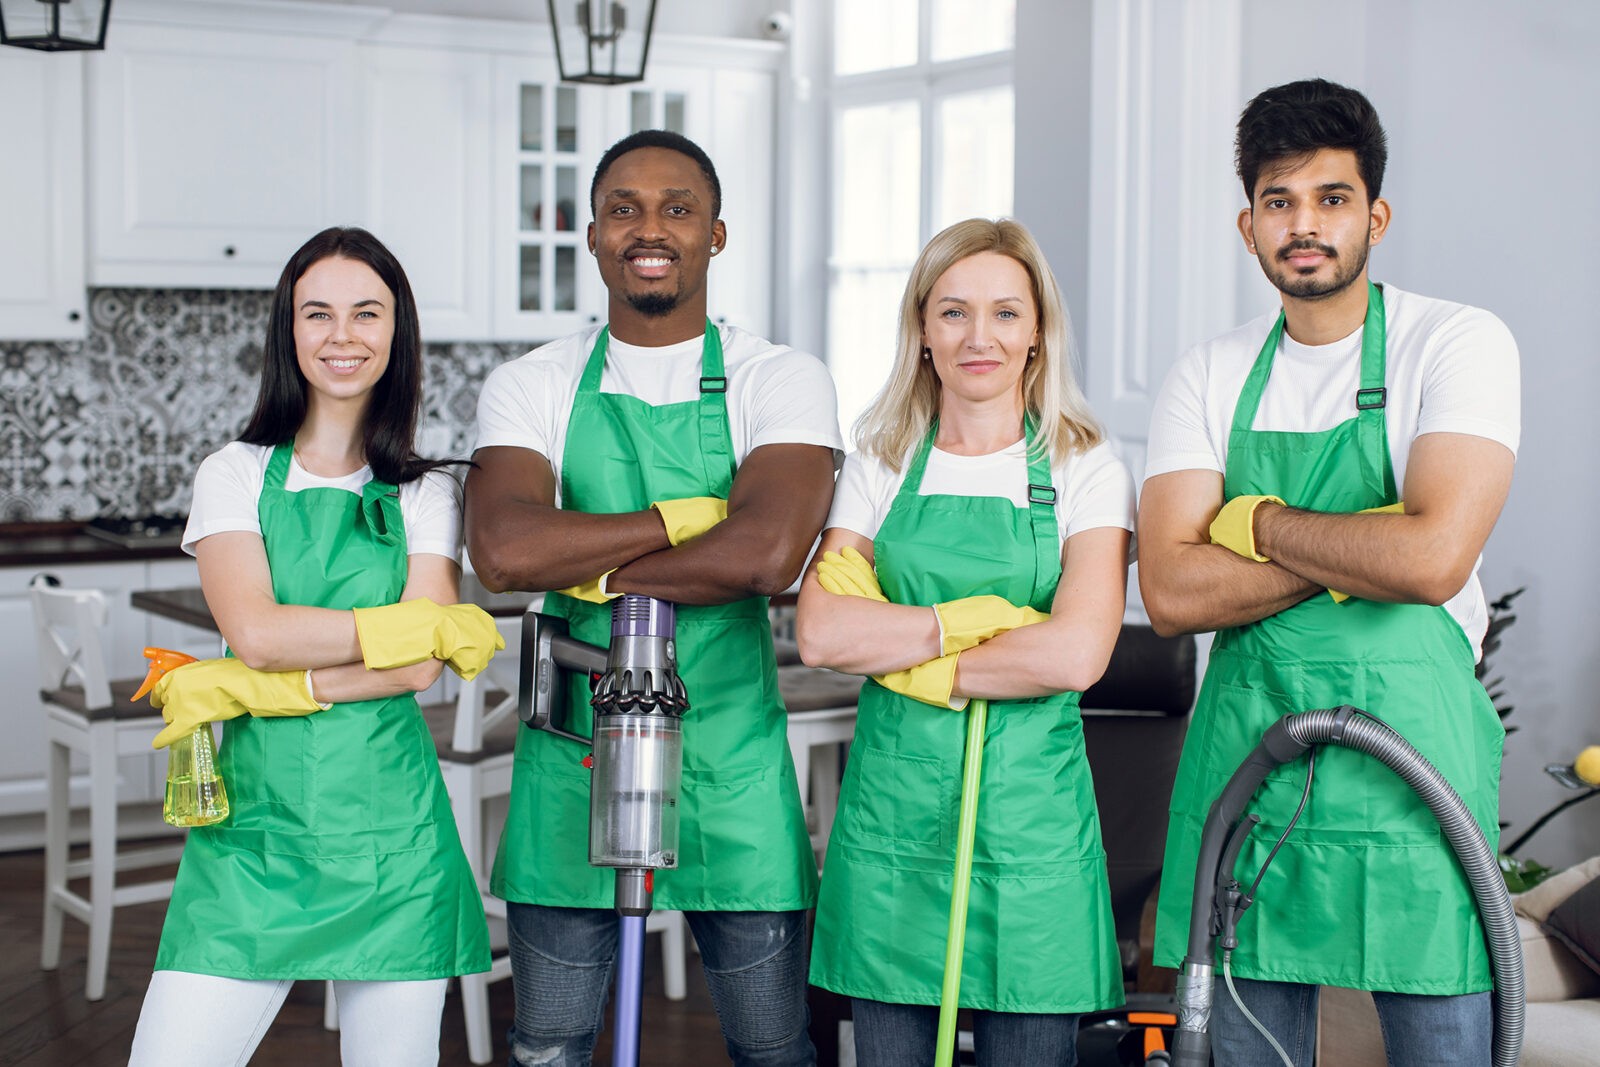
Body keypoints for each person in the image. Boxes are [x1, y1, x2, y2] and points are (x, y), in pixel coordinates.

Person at [1140, 79, 1520, 1065]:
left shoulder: (1457, 342)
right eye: (1278, 200)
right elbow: (1174, 593)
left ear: (1374, 215)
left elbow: (1434, 558)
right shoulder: (1207, 372)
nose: (1302, 225)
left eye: (1330, 197)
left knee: (1445, 1042)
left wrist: (1254, 519)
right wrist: (1367, 542)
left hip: (1414, 779)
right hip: (1249, 771)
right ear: (1247, 223)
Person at [466, 129, 841, 1067]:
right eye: (623, 207)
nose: (650, 227)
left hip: (731, 764)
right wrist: (690, 516)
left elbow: (766, 553)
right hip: (573, 760)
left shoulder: (780, 378)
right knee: (547, 1045)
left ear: (716, 235)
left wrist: (582, 564)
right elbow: (505, 550)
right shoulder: (533, 383)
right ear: (592, 235)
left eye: (678, 207)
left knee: (774, 1047)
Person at [128, 226, 501, 1066]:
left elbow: (415, 665)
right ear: (289, 330)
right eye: (318, 313)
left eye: (366, 314)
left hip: (392, 838)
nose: (342, 336)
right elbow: (255, 630)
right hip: (254, 836)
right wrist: (380, 633)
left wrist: (273, 682)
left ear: (395, 332)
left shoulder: (427, 491)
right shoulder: (232, 473)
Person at [798, 218, 1135, 1066]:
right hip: (892, 822)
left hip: (1032, 824)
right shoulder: (881, 460)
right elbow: (823, 630)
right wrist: (964, 626)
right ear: (922, 332)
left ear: (1037, 334)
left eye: (1005, 314)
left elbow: (1075, 654)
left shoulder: (1085, 467)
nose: (978, 336)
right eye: (952, 312)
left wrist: (910, 660)